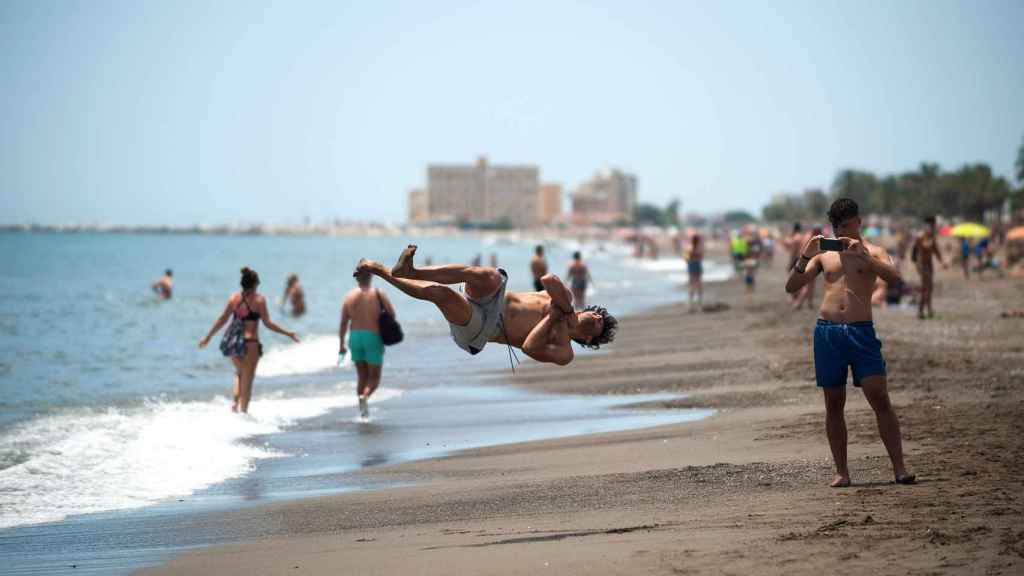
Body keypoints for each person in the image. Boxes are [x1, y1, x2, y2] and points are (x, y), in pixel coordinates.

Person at [785, 198, 914, 488]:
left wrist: (865, 257)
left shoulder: (875, 251)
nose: (845, 233)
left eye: (849, 226)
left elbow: (896, 279)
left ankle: (900, 468)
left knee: (878, 396)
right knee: (834, 403)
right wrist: (805, 257)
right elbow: (791, 286)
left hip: (860, 331)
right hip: (827, 332)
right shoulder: (824, 256)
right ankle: (842, 472)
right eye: (839, 228)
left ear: (859, 221)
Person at [354, 245, 615, 366]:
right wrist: (566, 310)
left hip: (482, 330)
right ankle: (411, 271)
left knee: (441, 295)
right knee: (487, 274)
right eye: (597, 312)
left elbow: (529, 347)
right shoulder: (564, 301)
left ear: (590, 339)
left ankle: (381, 271)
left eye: (599, 322)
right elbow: (548, 279)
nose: (595, 315)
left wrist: (553, 319)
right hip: (493, 299)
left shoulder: (564, 351)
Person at [199, 267, 300, 413]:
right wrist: (287, 333)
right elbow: (268, 323)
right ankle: (244, 414)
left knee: (239, 373)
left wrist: (208, 337)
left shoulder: (234, 298)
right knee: (248, 381)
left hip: (234, 344)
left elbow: (222, 319)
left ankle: (234, 404)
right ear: (256, 284)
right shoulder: (259, 300)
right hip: (251, 344)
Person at [339, 269, 396, 418]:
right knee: (374, 378)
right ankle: (365, 396)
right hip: (373, 336)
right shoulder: (378, 294)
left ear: (357, 279)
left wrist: (341, 345)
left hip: (355, 337)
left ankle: (363, 412)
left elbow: (343, 323)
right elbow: (391, 314)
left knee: (362, 376)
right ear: (370, 277)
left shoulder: (349, 296)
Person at [912, 216, 947, 319]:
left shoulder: (932, 237)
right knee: (925, 288)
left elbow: (936, 251)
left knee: (929, 288)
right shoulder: (920, 236)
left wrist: (942, 262)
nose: (933, 227)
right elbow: (923, 247)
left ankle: (927, 310)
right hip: (922, 266)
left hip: (929, 265)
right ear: (927, 225)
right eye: (932, 225)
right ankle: (922, 311)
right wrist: (931, 241)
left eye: (934, 226)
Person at [684, 234, 704, 312]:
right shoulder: (699, 249)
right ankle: (699, 304)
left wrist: (690, 260)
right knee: (699, 284)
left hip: (691, 265)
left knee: (691, 285)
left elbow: (686, 259)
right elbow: (701, 257)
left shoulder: (689, 248)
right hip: (697, 265)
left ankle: (690, 304)